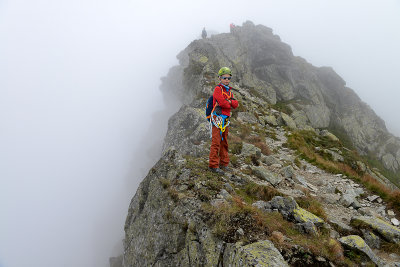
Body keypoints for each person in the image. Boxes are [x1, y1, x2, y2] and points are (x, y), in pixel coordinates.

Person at [209, 67, 239, 174]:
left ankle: (224, 163)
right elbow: (222, 103)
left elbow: (236, 104)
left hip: (225, 119)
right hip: (217, 118)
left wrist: (230, 102)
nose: (227, 80)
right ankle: (213, 165)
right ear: (220, 78)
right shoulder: (218, 89)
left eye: (228, 78)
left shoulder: (229, 91)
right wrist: (229, 102)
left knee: (224, 142)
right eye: (224, 77)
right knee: (216, 142)